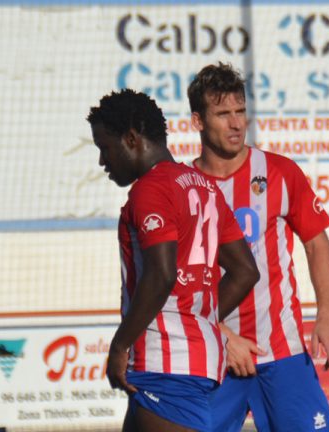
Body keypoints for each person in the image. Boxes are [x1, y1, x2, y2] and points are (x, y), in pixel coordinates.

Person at [86, 89, 259, 432]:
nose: (103, 161)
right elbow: (245, 271)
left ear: (132, 138)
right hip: (193, 357)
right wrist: (197, 318)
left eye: (104, 148)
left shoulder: (150, 189)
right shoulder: (205, 188)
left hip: (166, 360)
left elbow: (161, 273)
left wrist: (120, 345)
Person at [186, 63, 329, 432]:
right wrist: (223, 337)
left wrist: (327, 315)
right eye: (223, 114)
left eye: (240, 111)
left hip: (282, 351)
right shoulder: (182, 187)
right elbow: (176, 283)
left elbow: (316, 241)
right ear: (198, 121)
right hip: (214, 357)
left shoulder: (279, 172)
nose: (236, 123)